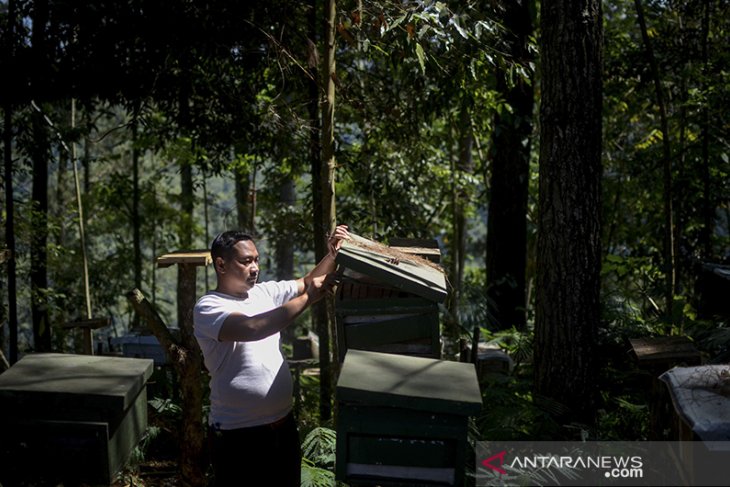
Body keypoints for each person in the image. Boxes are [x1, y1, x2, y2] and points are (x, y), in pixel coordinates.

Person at [193, 225, 350, 487]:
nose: (254, 267)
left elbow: (308, 282)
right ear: (221, 265)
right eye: (246, 261)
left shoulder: (264, 293)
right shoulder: (209, 307)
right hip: (238, 435)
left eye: (256, 260)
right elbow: (253, 328)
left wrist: (333, 255)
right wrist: (309, 298)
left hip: (282, 426)